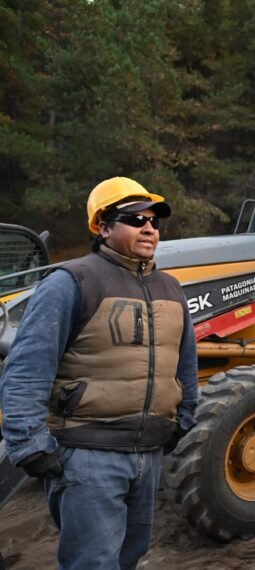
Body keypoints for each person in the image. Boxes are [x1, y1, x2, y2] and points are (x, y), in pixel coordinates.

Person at [0, 177, 199, 570]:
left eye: (154, 221)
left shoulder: (171, 289)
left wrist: (184, 419)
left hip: (147, 455)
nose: (149, 228)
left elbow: (186, 363)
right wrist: (29, 444)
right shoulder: (71, 282)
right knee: (93, 563)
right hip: (88, 456)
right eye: (134, 219)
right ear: (104, 227)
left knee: (129, 556)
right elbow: (27, 367)